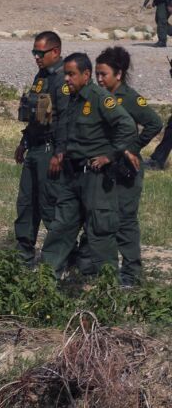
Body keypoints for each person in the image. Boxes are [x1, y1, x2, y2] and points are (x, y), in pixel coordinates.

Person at [39, 52, 139, 280]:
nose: (66, 79)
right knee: (61, 228)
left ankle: (107, 287)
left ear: (86, 75)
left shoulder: (99, 97)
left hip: (94, 177)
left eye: (71, 74)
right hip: (71, 176)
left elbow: (126, 126)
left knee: (100, 232)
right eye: (65, 74)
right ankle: (46, 282)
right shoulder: (72, 99)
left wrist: (110, 155)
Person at [94, 46, 163, 286]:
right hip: (104, 167)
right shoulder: (98, 96)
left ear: (119, 74)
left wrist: (133, 148)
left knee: (125, 220)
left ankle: (131, 273)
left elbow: (155, 123)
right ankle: (104, 268)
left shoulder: (130, 98)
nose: (100, 79)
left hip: (126, 169)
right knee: (102, 218)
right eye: (97, 75)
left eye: (104, 74)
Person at [12, 31, 70, 266]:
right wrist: (24, 142)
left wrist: (59, 152)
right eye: (34, 52)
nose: (36, 56)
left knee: (49, 205)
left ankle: (62, 258)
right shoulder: (42, 75)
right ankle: (24, 255)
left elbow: (65, 120)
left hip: (50, 150)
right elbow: (38, 115)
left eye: (40, 52)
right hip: (35, 147)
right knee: (26, 203)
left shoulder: (62, 79)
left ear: (55, 52)